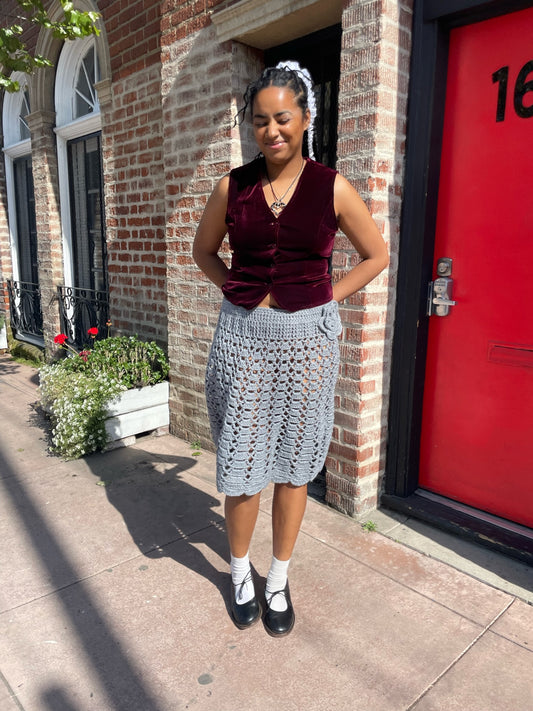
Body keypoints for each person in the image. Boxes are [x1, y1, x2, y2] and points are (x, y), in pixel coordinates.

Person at [192, 61, 388, 637]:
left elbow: (376, 256)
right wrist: (240, 290)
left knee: (295, 467)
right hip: (243, 339)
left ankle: (277, 577)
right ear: (249, 126)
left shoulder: (333, 186)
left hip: (308, 344)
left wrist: (327, 298)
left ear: (305, 118)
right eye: (260, 121)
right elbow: (204, 252)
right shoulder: (233, 186)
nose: (271, 130)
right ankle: (239, 573)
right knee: (243, 466)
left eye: (282, 118)